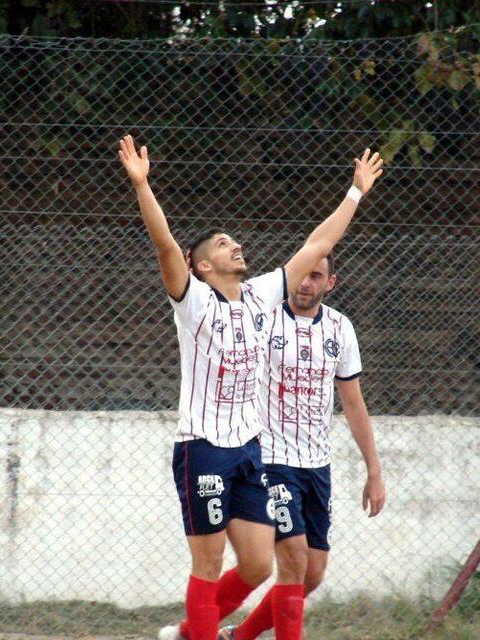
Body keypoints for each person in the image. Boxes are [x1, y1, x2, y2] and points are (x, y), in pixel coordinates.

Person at [116, 134, 382, 640]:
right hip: (204, 448)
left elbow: (317, 246)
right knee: (209, 562)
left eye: (233, 240)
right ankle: (197, 634)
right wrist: (142, 185)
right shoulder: (192, 302)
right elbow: (165, 245)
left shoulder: (262, 295)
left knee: (259, 565)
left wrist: (355, 192)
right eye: (221, 244)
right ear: (202, 266)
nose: (235, 245)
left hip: (248, 453)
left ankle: (190, 630)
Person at [221, 253, 386, 640]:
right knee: (293, 556)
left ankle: (239, 636)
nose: (305, 283)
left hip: (317, 463)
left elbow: (353, 402)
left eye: (316, 276)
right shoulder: (264, 319)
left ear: (330, 283)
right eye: (302, 274)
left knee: (311, 574)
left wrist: (374, 471)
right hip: (271, 459)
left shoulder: (340, 329)